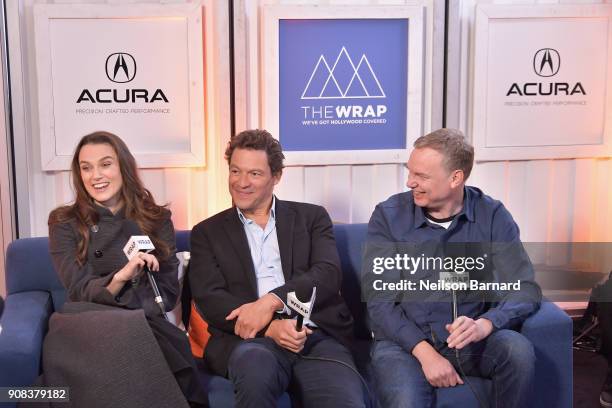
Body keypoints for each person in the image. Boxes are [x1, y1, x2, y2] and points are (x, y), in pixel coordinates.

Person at [189, 129, 366, 408]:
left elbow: (327, 273)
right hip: (248, 342)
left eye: (255, 174)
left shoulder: (311, 218)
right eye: (235, 171)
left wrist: (273, 301)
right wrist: (269, 328)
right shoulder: (206, 232)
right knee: (254, 379)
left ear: (276, 177)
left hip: (314, 335)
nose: (242, 183)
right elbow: (209, 297)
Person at [366, 128, 542, 408]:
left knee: (517, 351)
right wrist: (426, 354)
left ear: (455, 178)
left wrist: (487, 324)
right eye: (409, 172)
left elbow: (525, 287)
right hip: (404, 344)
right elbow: (379, 303)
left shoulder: (492, 215)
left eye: (421, 176)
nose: (410, 182)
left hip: (470, 340)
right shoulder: (389, 216)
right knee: (405, 402)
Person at [46, 131, 206, 407]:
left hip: (142, 322)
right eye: (86, 167)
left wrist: (130, 307)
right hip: (83, 323)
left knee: (145, 339)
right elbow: (79, 289)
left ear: (123, 167)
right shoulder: (64, 222)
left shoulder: (156, 219)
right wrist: (122, 277)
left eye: (105, 164)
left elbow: (165, 295)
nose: (96, 175)